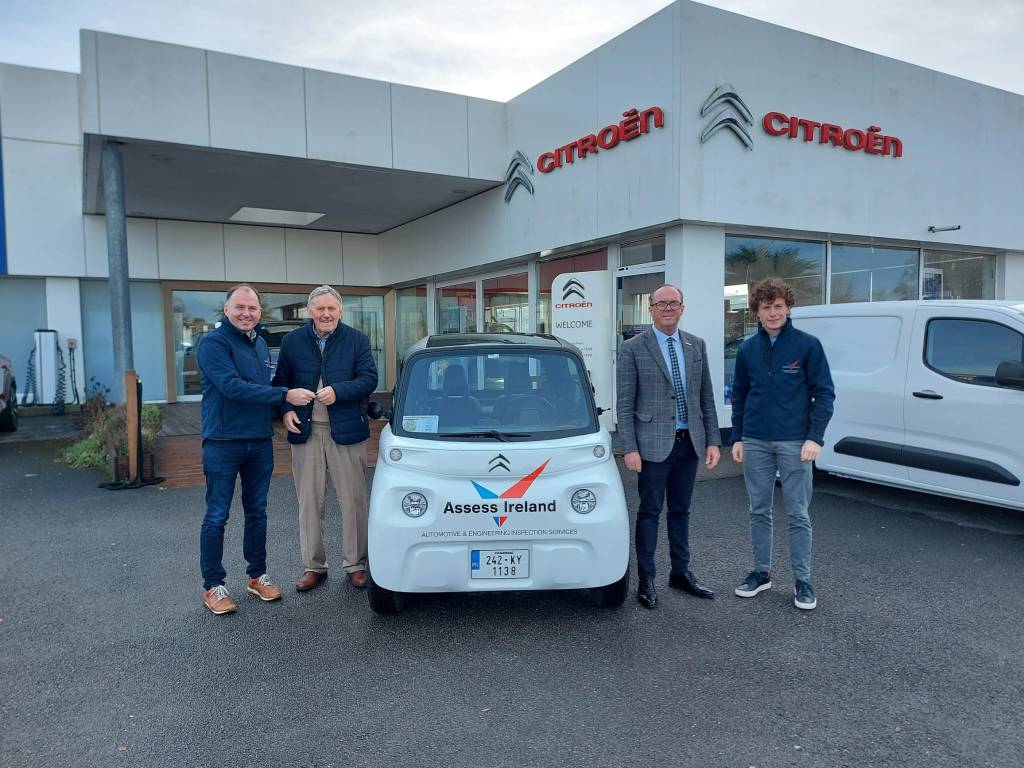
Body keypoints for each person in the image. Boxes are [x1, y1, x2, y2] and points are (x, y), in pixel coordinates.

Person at [197, 284, 315, 615]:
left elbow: (265, 387)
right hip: (223, 441)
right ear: (226, 309)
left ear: (260, 311)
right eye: (240, 307)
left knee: (257, 512)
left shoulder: (260, 343)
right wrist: (285, 396)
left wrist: (283, 409)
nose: (246, 313)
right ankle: (213, 585)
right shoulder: (213, 344)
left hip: (260, 440)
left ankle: (257, 576)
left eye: (252, 308)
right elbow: (232, 387)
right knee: (217, 515)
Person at [730, 278, 835, 611]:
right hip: (755, 441)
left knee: (798, 513)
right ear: (757, 312)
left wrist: (815, 437)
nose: (772, 313)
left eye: (778, 306)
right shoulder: (747, 350)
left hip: (795, 442)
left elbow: (825, 394)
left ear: (788, 308)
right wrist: (738, 436)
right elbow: (740, 395)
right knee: (758, 510)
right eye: (766, 307)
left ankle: (802, 581)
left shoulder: (807, 346)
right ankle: (761, 573)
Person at [617, 284, 722, 609]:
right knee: (649, 512)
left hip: (689, 442)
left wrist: (713, 440)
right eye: (661, 304)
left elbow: (705, 396)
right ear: (650, 309)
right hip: (651, 446)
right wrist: (629, 447)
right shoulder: (633, 348)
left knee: (681, 511)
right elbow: (624, 403)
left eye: (673, 303)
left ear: (682, 308)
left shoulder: (695, 344)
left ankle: (680, 572)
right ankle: (646, 579)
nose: (667, 308)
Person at [272, 285, 378, 591]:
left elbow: (369, 379)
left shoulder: (357, 339)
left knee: (353, 502)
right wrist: (285, 411)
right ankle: (314, 566)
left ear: (340, 311)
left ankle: (356, 564)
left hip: (347, 431)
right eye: (320, 308)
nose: (326, 313)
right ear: (310, 311)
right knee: (309, 502)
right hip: (306, 431)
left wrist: (339, 391)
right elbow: (280, 384)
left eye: (331, 308)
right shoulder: (292, 341)